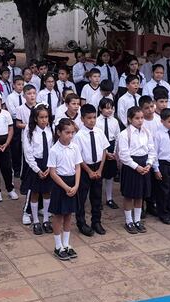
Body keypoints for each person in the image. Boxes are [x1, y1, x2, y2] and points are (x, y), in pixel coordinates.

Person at [47, 118, 82, 260]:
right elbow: (52, 172)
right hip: (60, 184)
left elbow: (78, 166)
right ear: (59, 132)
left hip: (72, 182)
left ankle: (66, 244)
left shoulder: (75, 147)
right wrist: (66, 187)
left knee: (68, 214)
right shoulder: (54, 150)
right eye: (67, 132)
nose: (70, 135)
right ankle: (57, 245)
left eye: (72, 132)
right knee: (58, 215)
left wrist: (76, 185)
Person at [117, 106, 156, 234]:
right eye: (137, 118)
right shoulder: (124, 134)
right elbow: (124, 155)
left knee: (140, 195)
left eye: (142, 118)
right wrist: (136, 167)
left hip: (144, 165)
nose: (140, 121)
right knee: (129, 195)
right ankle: (129, 221)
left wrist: (149, 164)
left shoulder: (146, 132)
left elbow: (151, 149)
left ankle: (137, 220)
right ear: (129, 119)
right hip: (131, 166)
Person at [72, 104, 108, 236]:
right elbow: (78, 157)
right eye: (89, 118)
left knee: (97, 196)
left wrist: (99, 169)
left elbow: (104, 150)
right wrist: (89, 171)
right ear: (82, 119)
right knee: (81, 197)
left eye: (94, 117)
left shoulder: (99, 132)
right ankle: (81, 223)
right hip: (84, 169)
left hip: (98, 167)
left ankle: (96, 221)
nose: (92, 120)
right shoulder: (79, 136)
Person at [23, 105, 55, 235]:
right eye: (41, 117)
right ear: (35, 119)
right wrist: (37, 169)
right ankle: (36, 220)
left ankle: (46, 219)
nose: (44, 120)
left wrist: (49, 167)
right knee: (35, 193)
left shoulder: (50, 129)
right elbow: (28, 152)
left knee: (47, 192)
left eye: (46, 117)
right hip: (35, 164)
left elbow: (53, 148)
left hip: (48, 163)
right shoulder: (30, 131)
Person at [15, 84, 38, 225]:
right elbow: (18, 124)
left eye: (34, 93)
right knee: (31, 181)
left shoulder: (41, 106)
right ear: (24, 95)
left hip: (42, 151)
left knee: (44, 185)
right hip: (29, 146)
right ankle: (27, 211)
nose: (32, 96)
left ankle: (40, 207)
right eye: (29, 93)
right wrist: (30, 125)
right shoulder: (20, 109)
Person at [97, 98, 120, 209]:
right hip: (100, 148)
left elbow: (117, 137)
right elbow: (97, 138)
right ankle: (98, 199)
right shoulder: (97, 121)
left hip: (111, 146)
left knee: (110, 176)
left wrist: (114, 152)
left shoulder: (114, 121)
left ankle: (109, 199)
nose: (109, 110)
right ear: (101, 109)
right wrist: (105, 153)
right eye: (106, 108)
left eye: (111, 108)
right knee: (100, 175)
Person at [5, 76, 25, 179]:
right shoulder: (10, 97)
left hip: (26, 122)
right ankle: (16, 168)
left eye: (22, 84)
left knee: (24, 146)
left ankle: (23, 168)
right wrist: (22, 113)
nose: (20, 87)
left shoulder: (25, 95)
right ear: (13, 85)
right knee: (15, 147)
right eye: (18, 84)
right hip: (15, 123)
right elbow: (13, 112)